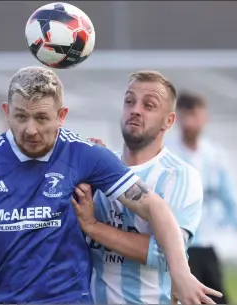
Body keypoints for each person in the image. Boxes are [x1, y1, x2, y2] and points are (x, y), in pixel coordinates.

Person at [0, 67, 221, 304]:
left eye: (42, 118)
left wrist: (180, 272)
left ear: (62, 115)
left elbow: (154, 207)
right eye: (20, 116)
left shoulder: (86, 155)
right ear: (6, 113)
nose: (30, 129)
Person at [72, 70, 211, 304]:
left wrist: (94, 228)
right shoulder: (99, 167)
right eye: (129, 101)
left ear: (169, 121)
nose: (135, 109)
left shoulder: (180, 176)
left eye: (149, 105)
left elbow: (164, 253)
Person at [166, 91, 237, 304]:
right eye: (186, 116)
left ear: (205, 118)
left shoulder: (214, 157)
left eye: (195, 115)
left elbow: (233, 205)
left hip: (208, 248)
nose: (190, 122)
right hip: (179, 249)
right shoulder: (168, 155)